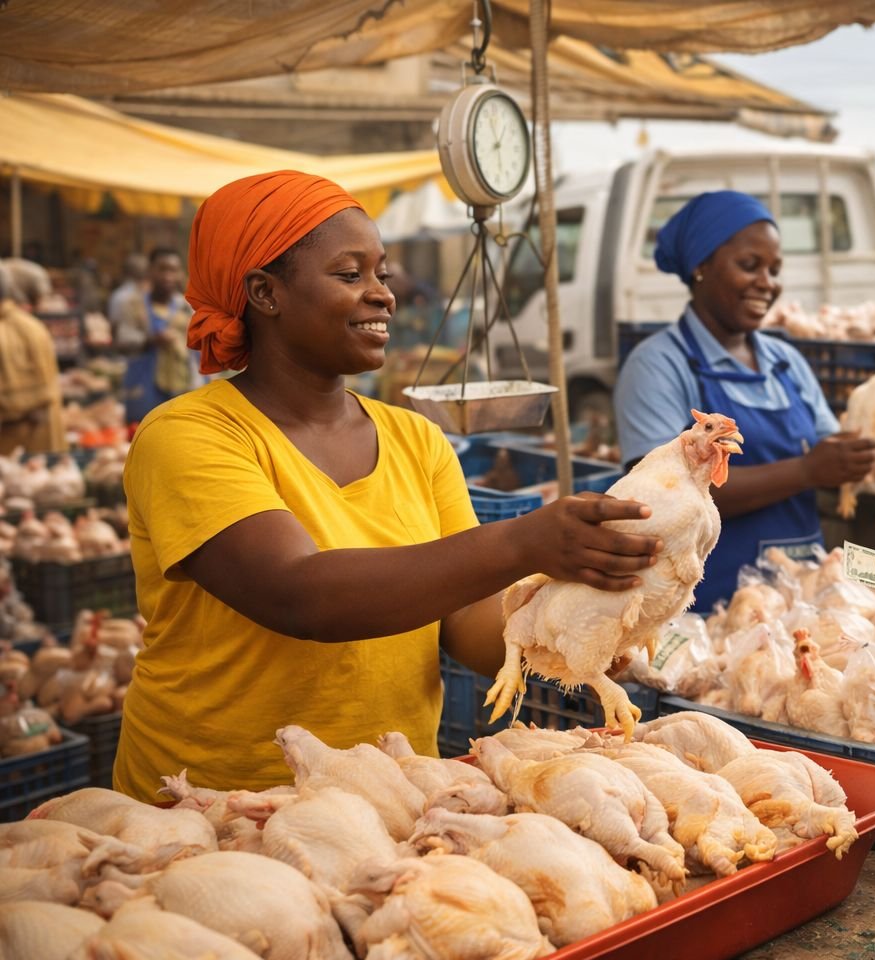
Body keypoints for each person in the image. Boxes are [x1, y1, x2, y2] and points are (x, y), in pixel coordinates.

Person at [114, 170, 661, 801]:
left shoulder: (416, 439)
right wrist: (524, 545)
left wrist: (567, 632)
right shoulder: (189, 435)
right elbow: (299, 595)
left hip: (394, 796)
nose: (382, 295)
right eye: (350, 275)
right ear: (265, 294)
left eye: (382, 273)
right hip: (217, 803)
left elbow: (464, 620)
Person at [613, 190, 875, 610]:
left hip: (798, 599)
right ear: (701, 266)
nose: (767, 284)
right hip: (702, 607)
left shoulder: (785, 361)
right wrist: (807, 470)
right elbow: (659, 500)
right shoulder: (658, 364)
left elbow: (834, 449)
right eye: (749, 266)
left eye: (774, 270)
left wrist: (866, 450)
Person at [122, 248, 203, 424]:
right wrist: (150, 341)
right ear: (150, 271)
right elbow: (122, 339)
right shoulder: (134, 305)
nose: (168, 276)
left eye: (173, 270)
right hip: (144, 389)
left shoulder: (187, 307)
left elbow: (199, 350)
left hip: (181, 388)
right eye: (162, 269)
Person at [0, 261, 65, 454]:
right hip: (41, 441)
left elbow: (15, 403)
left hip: (19, 449)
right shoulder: (31, 325)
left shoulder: (11, 331)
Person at [106, 252, 150, 350]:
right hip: (142, 347)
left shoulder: (117, 295)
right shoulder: (146, 295)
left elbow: (113, 326)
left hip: (124, 347)